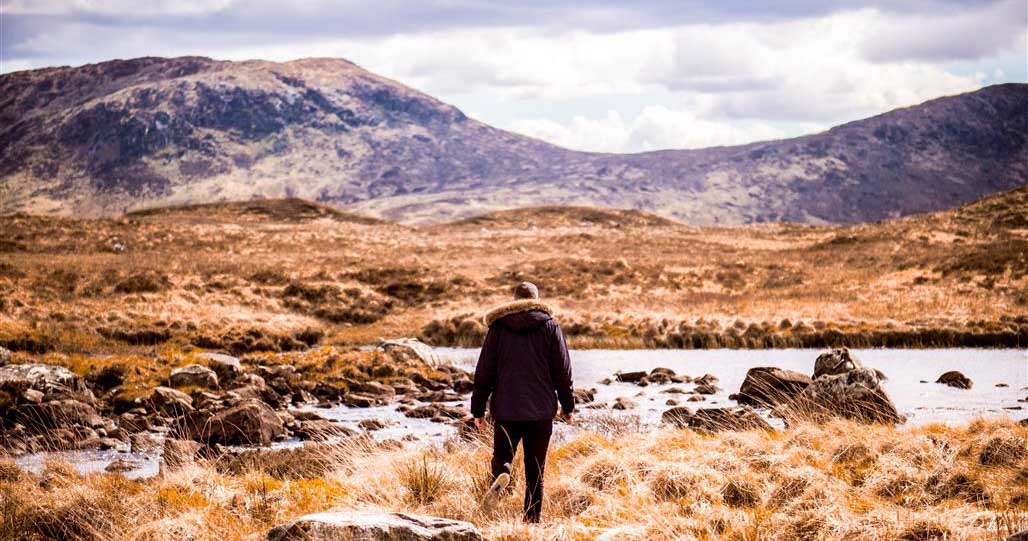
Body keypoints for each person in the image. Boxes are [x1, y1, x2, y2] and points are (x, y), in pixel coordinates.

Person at [471, 281, 575, 523]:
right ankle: (531, 522)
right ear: (536, 300)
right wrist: (568, 406)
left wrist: (478, 410)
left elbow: (484, 372)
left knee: (503, 454)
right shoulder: (550, 326)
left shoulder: (498, 328)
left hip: (506, 409)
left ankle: (503, 473)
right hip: (541, 412)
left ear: (513, 300)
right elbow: (563, 371)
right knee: (536, 470)